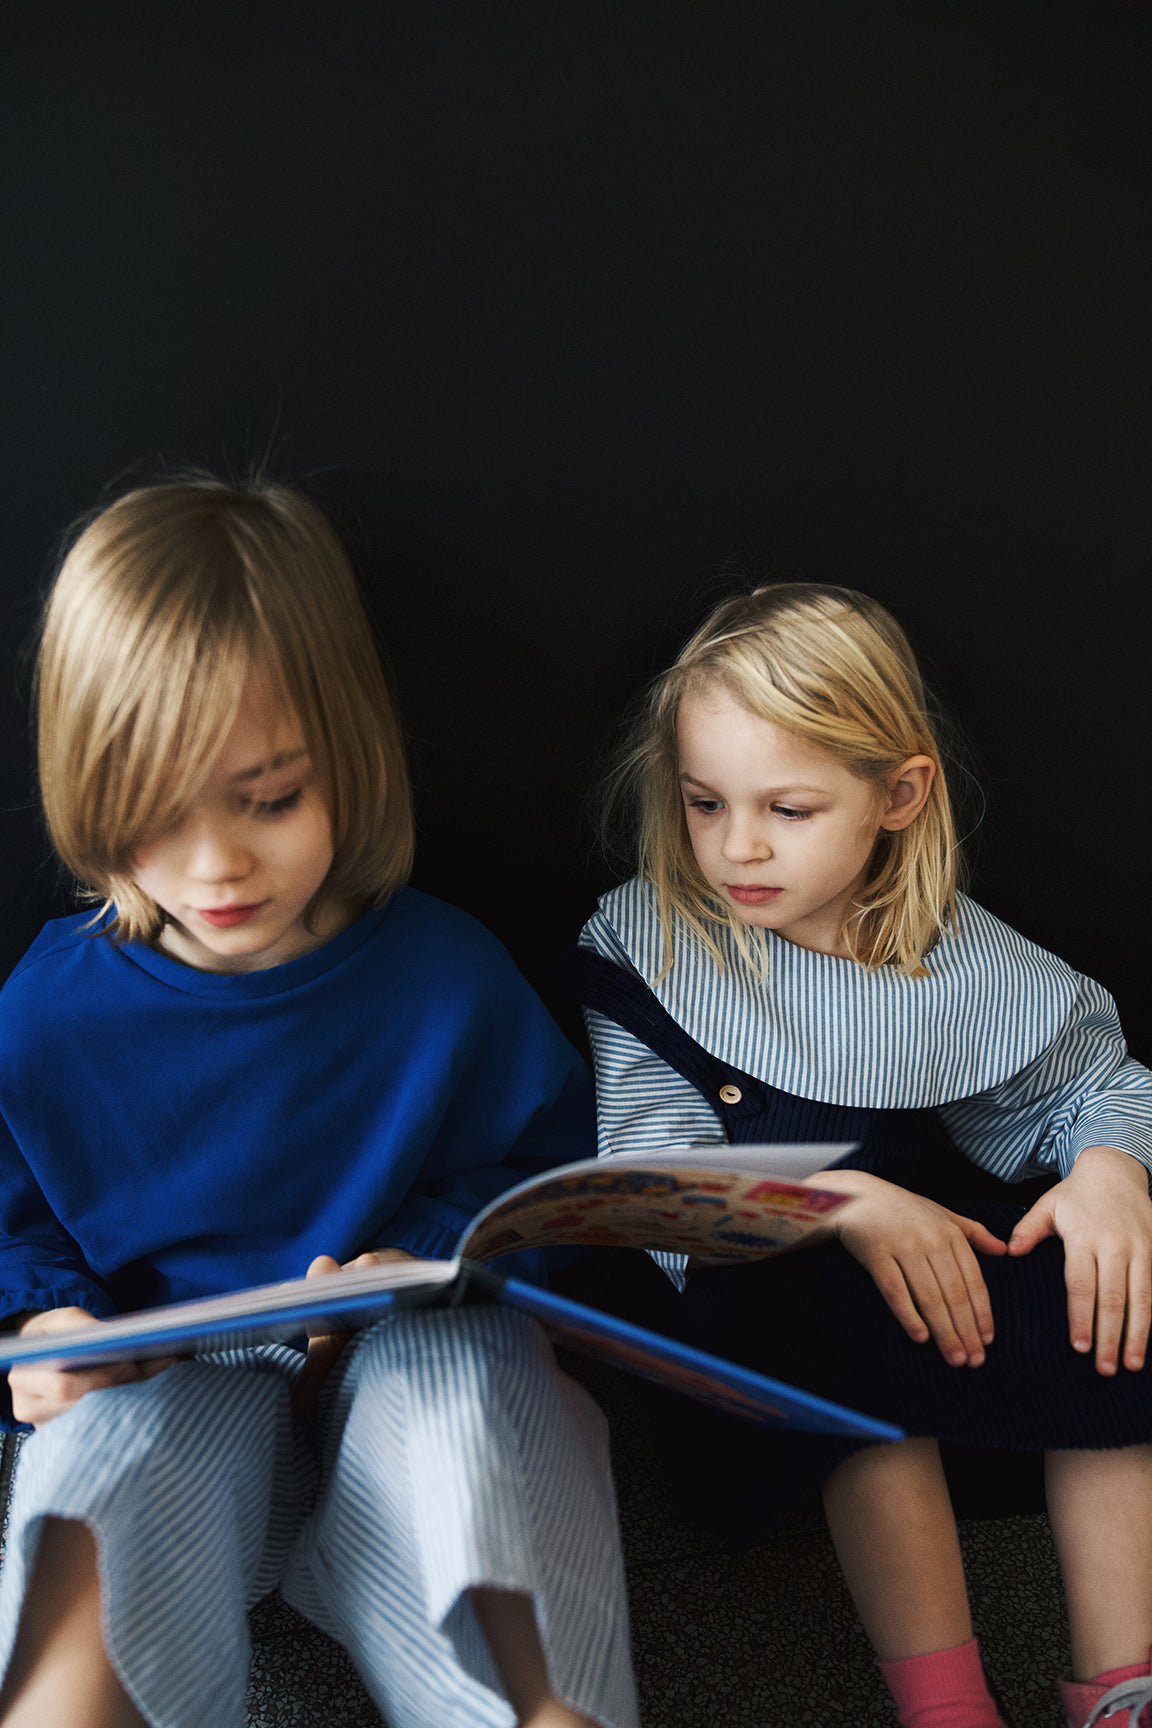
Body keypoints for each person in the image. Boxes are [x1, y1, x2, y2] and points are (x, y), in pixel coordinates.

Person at [0, 476, 639, 1728]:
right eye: (153, 816)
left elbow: (550, 1191)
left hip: (394, 1381)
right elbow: (15, 1233)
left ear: (344, 758)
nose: (216, 866)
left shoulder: (446, 978)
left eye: (269, 799)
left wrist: (435, 1261)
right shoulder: (45, 1011)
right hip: (175, 1390)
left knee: (472, 1401)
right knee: (94, 1483)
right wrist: (38, 1338)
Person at [573, 582, 1152, 1728]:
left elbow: (1088, 1084)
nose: (737, 847)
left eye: (787, 809)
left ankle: (1119, 1684)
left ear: (898, 795)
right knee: (846, 1316)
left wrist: (1109, 1173)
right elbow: (645, 1193)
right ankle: (947, 1707)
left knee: (1111, 1298)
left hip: (935, 1286)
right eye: (704, 803)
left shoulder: (950, 952)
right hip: (755, 1330)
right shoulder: (644, 945)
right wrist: (837, 1199)